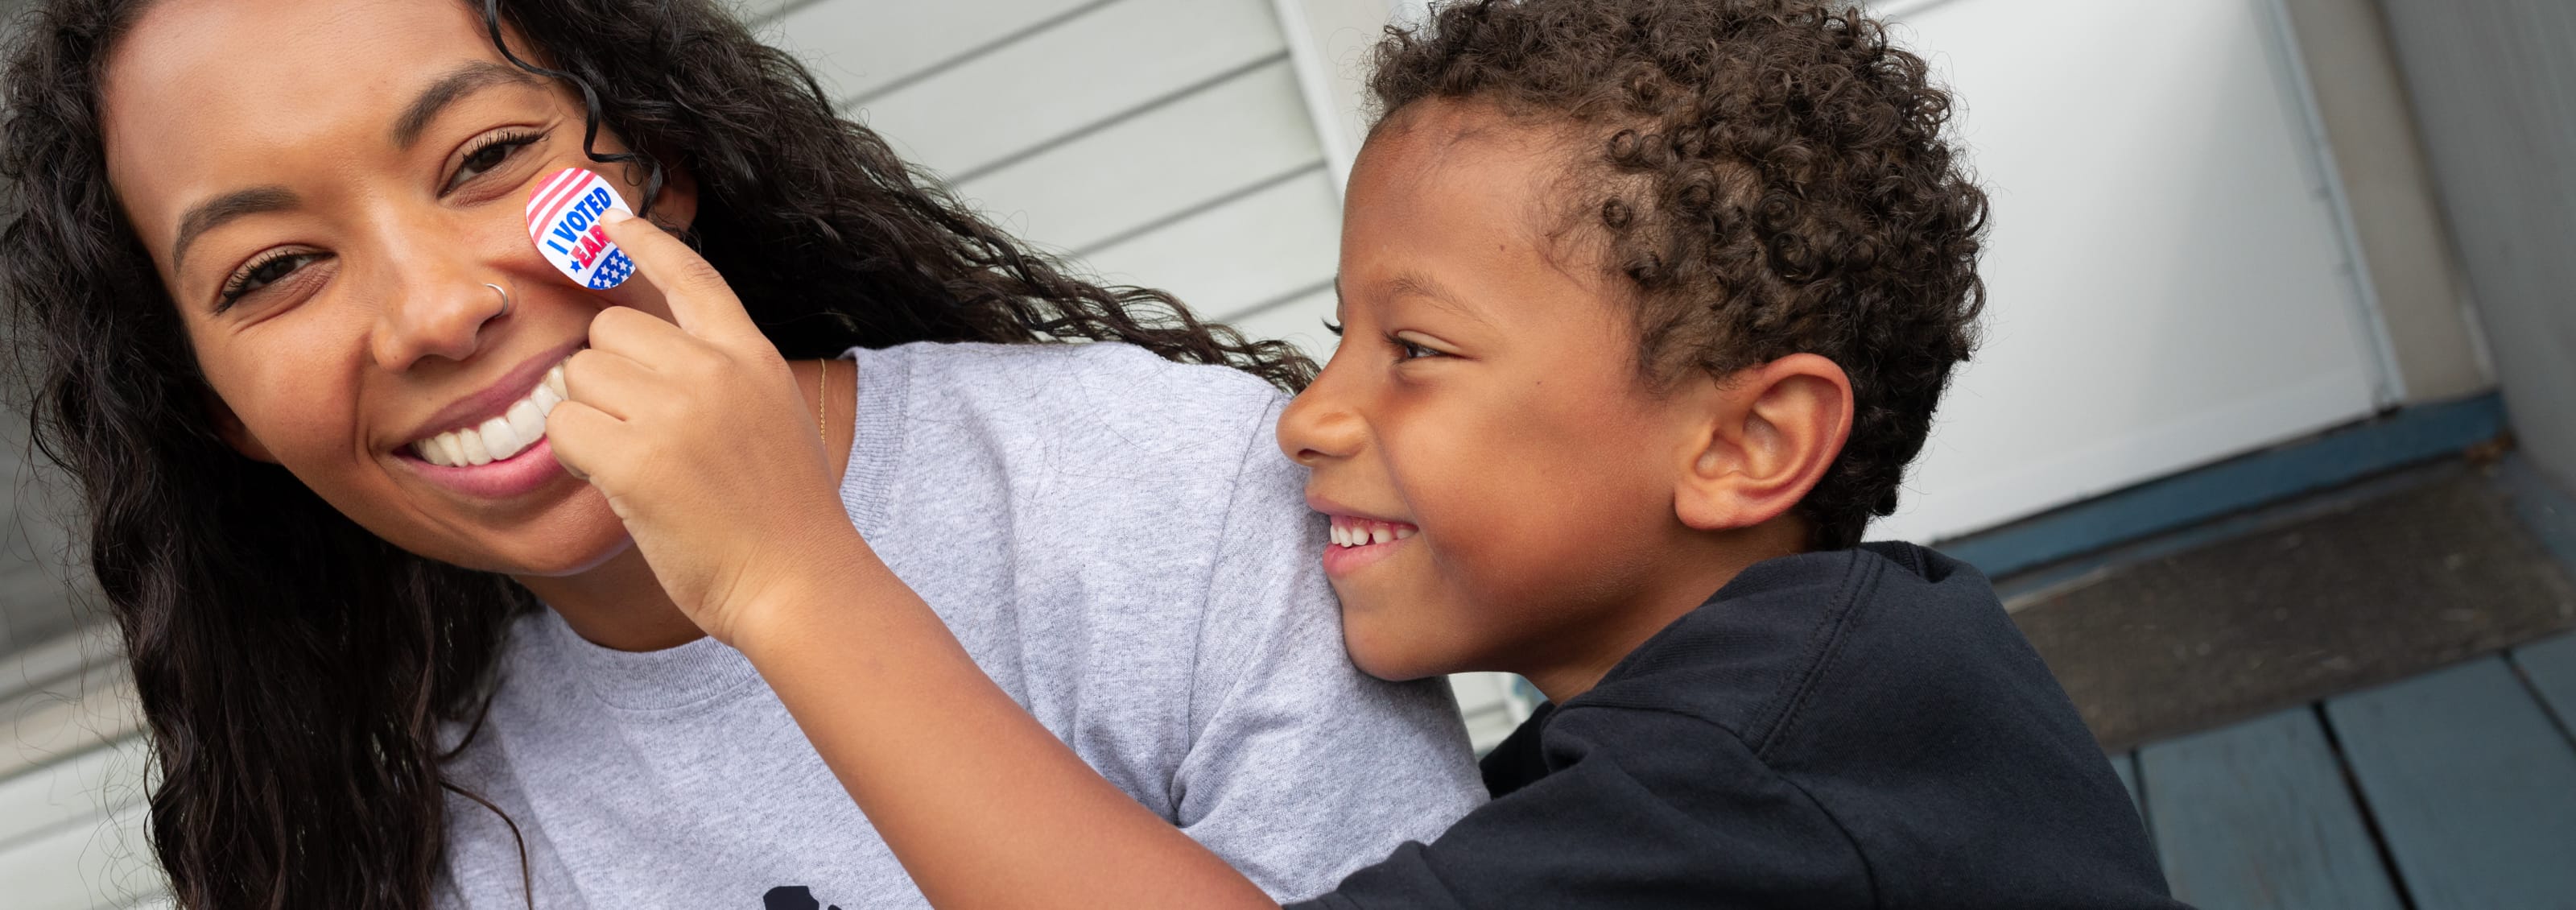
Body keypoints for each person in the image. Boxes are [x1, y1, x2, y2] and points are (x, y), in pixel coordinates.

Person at [557, 0, 2190, 907]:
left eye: (1414, 351)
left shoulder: (1783, 756)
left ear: (1747, 440)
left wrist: (790, 578)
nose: (1310, 414)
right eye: (1340, 336)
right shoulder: (1768, 731)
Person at [0, 0, 1487, 906]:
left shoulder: (1170, 492)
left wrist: (787, 582)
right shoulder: (395, 835)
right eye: (272, 271)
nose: (436, 310)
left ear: (655, 161)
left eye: (483, 160)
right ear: (214, 408)